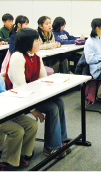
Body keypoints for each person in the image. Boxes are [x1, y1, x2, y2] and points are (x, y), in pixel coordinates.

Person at [5, 28, 71, 159]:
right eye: (35, 41)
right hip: (18, 99)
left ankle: (61, 139)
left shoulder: (36, 57)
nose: (38, 43)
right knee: (52, 108)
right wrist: (33, 110)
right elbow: (20, 89)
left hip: (33, 96)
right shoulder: (17, 57)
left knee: (59, 103)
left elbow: (43, 80)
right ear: (26, 42)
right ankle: (51, 147)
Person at [0, 41, 38, 172]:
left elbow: (2, 91)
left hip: (2, 109)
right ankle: (5, 161)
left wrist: (10, 112)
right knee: (17, 131)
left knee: (31, 124)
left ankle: (20, 155)